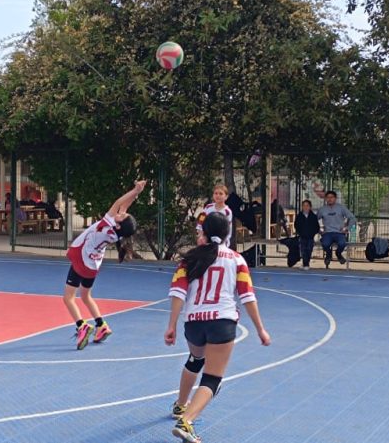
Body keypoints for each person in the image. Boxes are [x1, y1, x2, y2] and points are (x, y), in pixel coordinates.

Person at [165, 212, 271, 443]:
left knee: (195, 360)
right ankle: (187, 421)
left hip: (193, 322)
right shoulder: (236, 260)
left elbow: (178, 292)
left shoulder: (190, 259)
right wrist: (260, 329)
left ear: (203, 232)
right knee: (213, 378)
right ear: (227, 234)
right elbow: (247, 296)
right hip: (222, 322)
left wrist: (171, 324)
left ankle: (180, 406)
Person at [65, 181, 145, 350]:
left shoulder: (107, 223)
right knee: (86, 296)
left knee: (68, 298)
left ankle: (81, 325)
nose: (122, 212)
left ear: (118, 223)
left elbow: (118, 203)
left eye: (123, 215)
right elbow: (124, 206)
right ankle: (101, 325)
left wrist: (135, 190)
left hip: (81, 258)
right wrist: (136, 193)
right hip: (92, 266)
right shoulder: (116, 232)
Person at [318, 191, 357, 268]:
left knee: (342, 244)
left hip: (339, 233)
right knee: (325, 244)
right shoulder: (322, 209)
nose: (330, 199)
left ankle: (338, 254)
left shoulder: (341, 208)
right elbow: (313, 220)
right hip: (327, 233)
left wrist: (347, 229)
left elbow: (352, 218)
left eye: (331, 197)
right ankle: (328, 255)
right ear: (325, 199)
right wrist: (319, 230)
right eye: (328, 197)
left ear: (335, 198)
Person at [294, 200, 320, 270]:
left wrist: (313, 233)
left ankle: (306, 263)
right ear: (302, 207)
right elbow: (296, 225)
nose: (305, 207)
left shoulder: (313, 216)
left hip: (310, 237)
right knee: (303, 250)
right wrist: (300, 233)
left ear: (310, 207)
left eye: (307, 205)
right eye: (304, 205)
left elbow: (317, 227)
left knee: (309, 250)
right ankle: (306, 264)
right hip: (302, 237)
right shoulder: (299, 216)